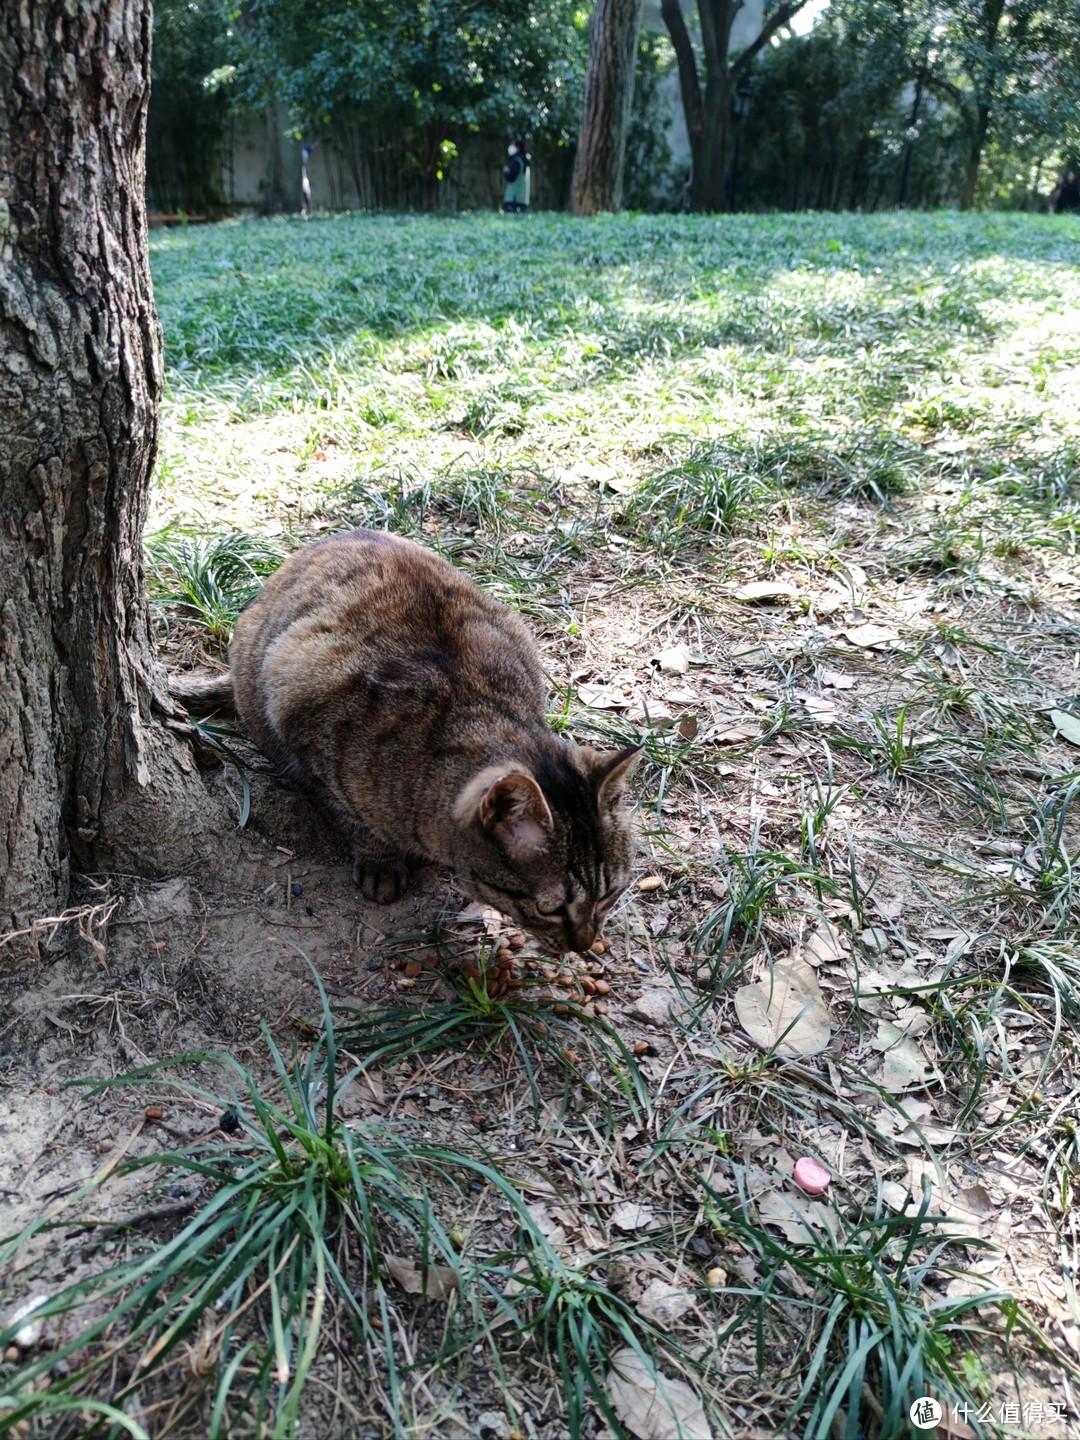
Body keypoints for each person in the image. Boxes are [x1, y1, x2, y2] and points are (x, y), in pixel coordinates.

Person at [502, 139, 531, 213]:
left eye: (512, 145)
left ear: (518, 147)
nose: (510, 147)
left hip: (513, 198)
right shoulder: (525, 160)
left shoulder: (517, 161)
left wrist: (506, 172)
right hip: (523, 199)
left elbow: (511, 177)